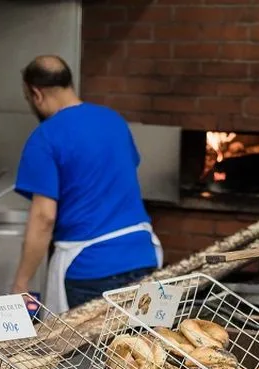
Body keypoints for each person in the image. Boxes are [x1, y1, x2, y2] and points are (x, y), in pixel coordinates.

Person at [9, 55, 162, 312]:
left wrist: (21, 283)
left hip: (90, 270)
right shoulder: (113, 121)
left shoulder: (45, 137)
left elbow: (44, 217)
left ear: (36, 93)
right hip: (144, 258)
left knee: (85, 352)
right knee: (143, 348)